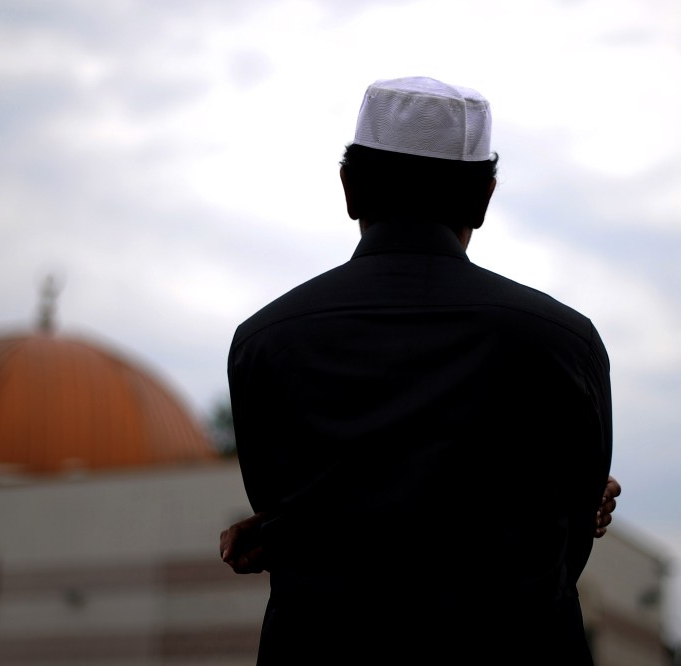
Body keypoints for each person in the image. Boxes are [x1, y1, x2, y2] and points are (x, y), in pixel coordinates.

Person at [223, 76, 614, 664]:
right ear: (484, 198)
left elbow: (281, 506)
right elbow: (574, 538)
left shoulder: (265, 340)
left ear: (349, 188)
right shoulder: (563, 340)